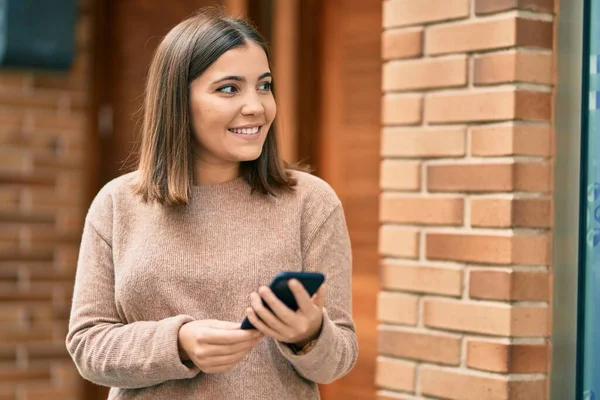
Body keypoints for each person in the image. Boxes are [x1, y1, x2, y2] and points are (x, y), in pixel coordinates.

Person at [66, 8, 357, 400]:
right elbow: (87, 346)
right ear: (178, 100)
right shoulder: (117, 204)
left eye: (264, 85)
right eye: (229, 89)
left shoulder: (311, 202)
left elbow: (339, 358)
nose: (257, 106)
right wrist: (178, 343)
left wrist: (309, 335)